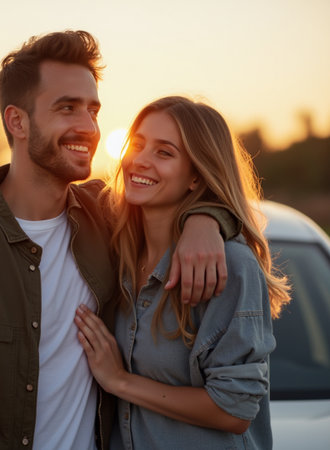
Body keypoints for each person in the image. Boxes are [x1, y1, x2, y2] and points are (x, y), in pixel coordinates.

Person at [0, 33, 239, 450]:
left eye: (93, 110)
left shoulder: (107, 219)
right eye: (67, 108)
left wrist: (205, 220)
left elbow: (188, 194)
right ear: (17, 121)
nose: (87, 127)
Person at [75, 96, 291, 449]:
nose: (140, 161)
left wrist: (119, 380)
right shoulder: (115, 246)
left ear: (196, 177)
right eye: (139, 144)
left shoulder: (230, 266)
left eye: (164, 152)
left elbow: (234, 410)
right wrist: (209, 217)